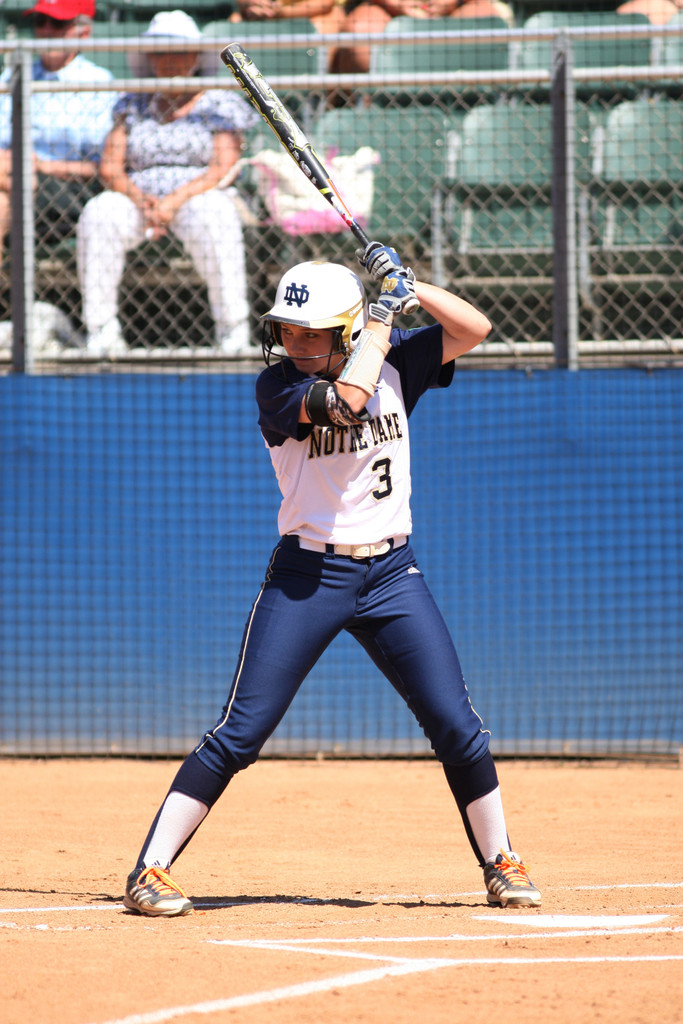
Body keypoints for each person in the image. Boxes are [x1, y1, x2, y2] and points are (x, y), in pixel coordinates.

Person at [121, 242, 541, 917]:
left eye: (309, 332)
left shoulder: (395, 357)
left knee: (458, 726)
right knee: (241, 731)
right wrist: (377, 316)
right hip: (307, 575)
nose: (291, 341)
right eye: (286, 329)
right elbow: (346, 401)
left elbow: (473, 329)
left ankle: (501, 862)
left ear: (343, 331)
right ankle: (150, 870)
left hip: (391, 573)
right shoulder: (281, 387)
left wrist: (410, 286)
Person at [76, 10, 259, 358]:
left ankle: (232, 331)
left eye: (177, 51)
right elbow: (111, 167)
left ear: (195, 57)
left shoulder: (218, 100)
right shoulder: (132, 103)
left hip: (200, 194)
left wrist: (172, 202)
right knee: (98, 213)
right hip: (138, 198)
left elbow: (224, 165)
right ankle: (101, 332)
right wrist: (142, 200)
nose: (168, 60)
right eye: (159, 53)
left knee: (215, 215)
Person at [0, 0, 116, 261]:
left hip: (68, 191)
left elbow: (102, 168)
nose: (47, 30)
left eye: (58, 23)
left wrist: (40, 166)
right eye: (41, 22)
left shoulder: (100, 84)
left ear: (83, 32)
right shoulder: (12, 76)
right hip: (13, 179)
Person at [332, 0, 514, 75]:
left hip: (455, 8)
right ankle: (369, 106)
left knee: (485, 16)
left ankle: (476, 103)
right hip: (388, 9)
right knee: (360, 27)